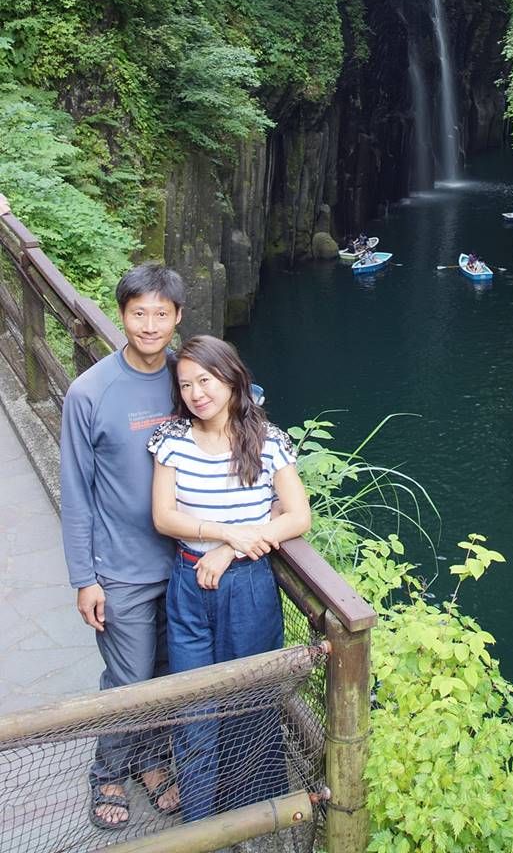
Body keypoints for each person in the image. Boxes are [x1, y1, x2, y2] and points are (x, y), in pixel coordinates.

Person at [149, 335, 311, 821]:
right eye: (186, 385)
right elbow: (163, 516)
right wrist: (224, 534)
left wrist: (230, 549)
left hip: (247, 586)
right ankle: (200, 823)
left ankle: (247, 818)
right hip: (188, 581)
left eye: (206, 380)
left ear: (231, 378)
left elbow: (298, 516)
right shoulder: (172, 440)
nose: (197, 393)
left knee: (250, 702)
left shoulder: (266, 439)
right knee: (194, 706)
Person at [60, 263, 186, 830]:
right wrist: (83, 578)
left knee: (167, 673)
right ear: (122, 315)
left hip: (183, 562)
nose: (150, 325)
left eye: (161, 313)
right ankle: (107, 772)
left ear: (178, 317)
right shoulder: (90, 392)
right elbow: (76, 491)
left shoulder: (188, 380)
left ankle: (152, 763)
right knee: (128, 678)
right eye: (139, 313)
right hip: (121, 569)